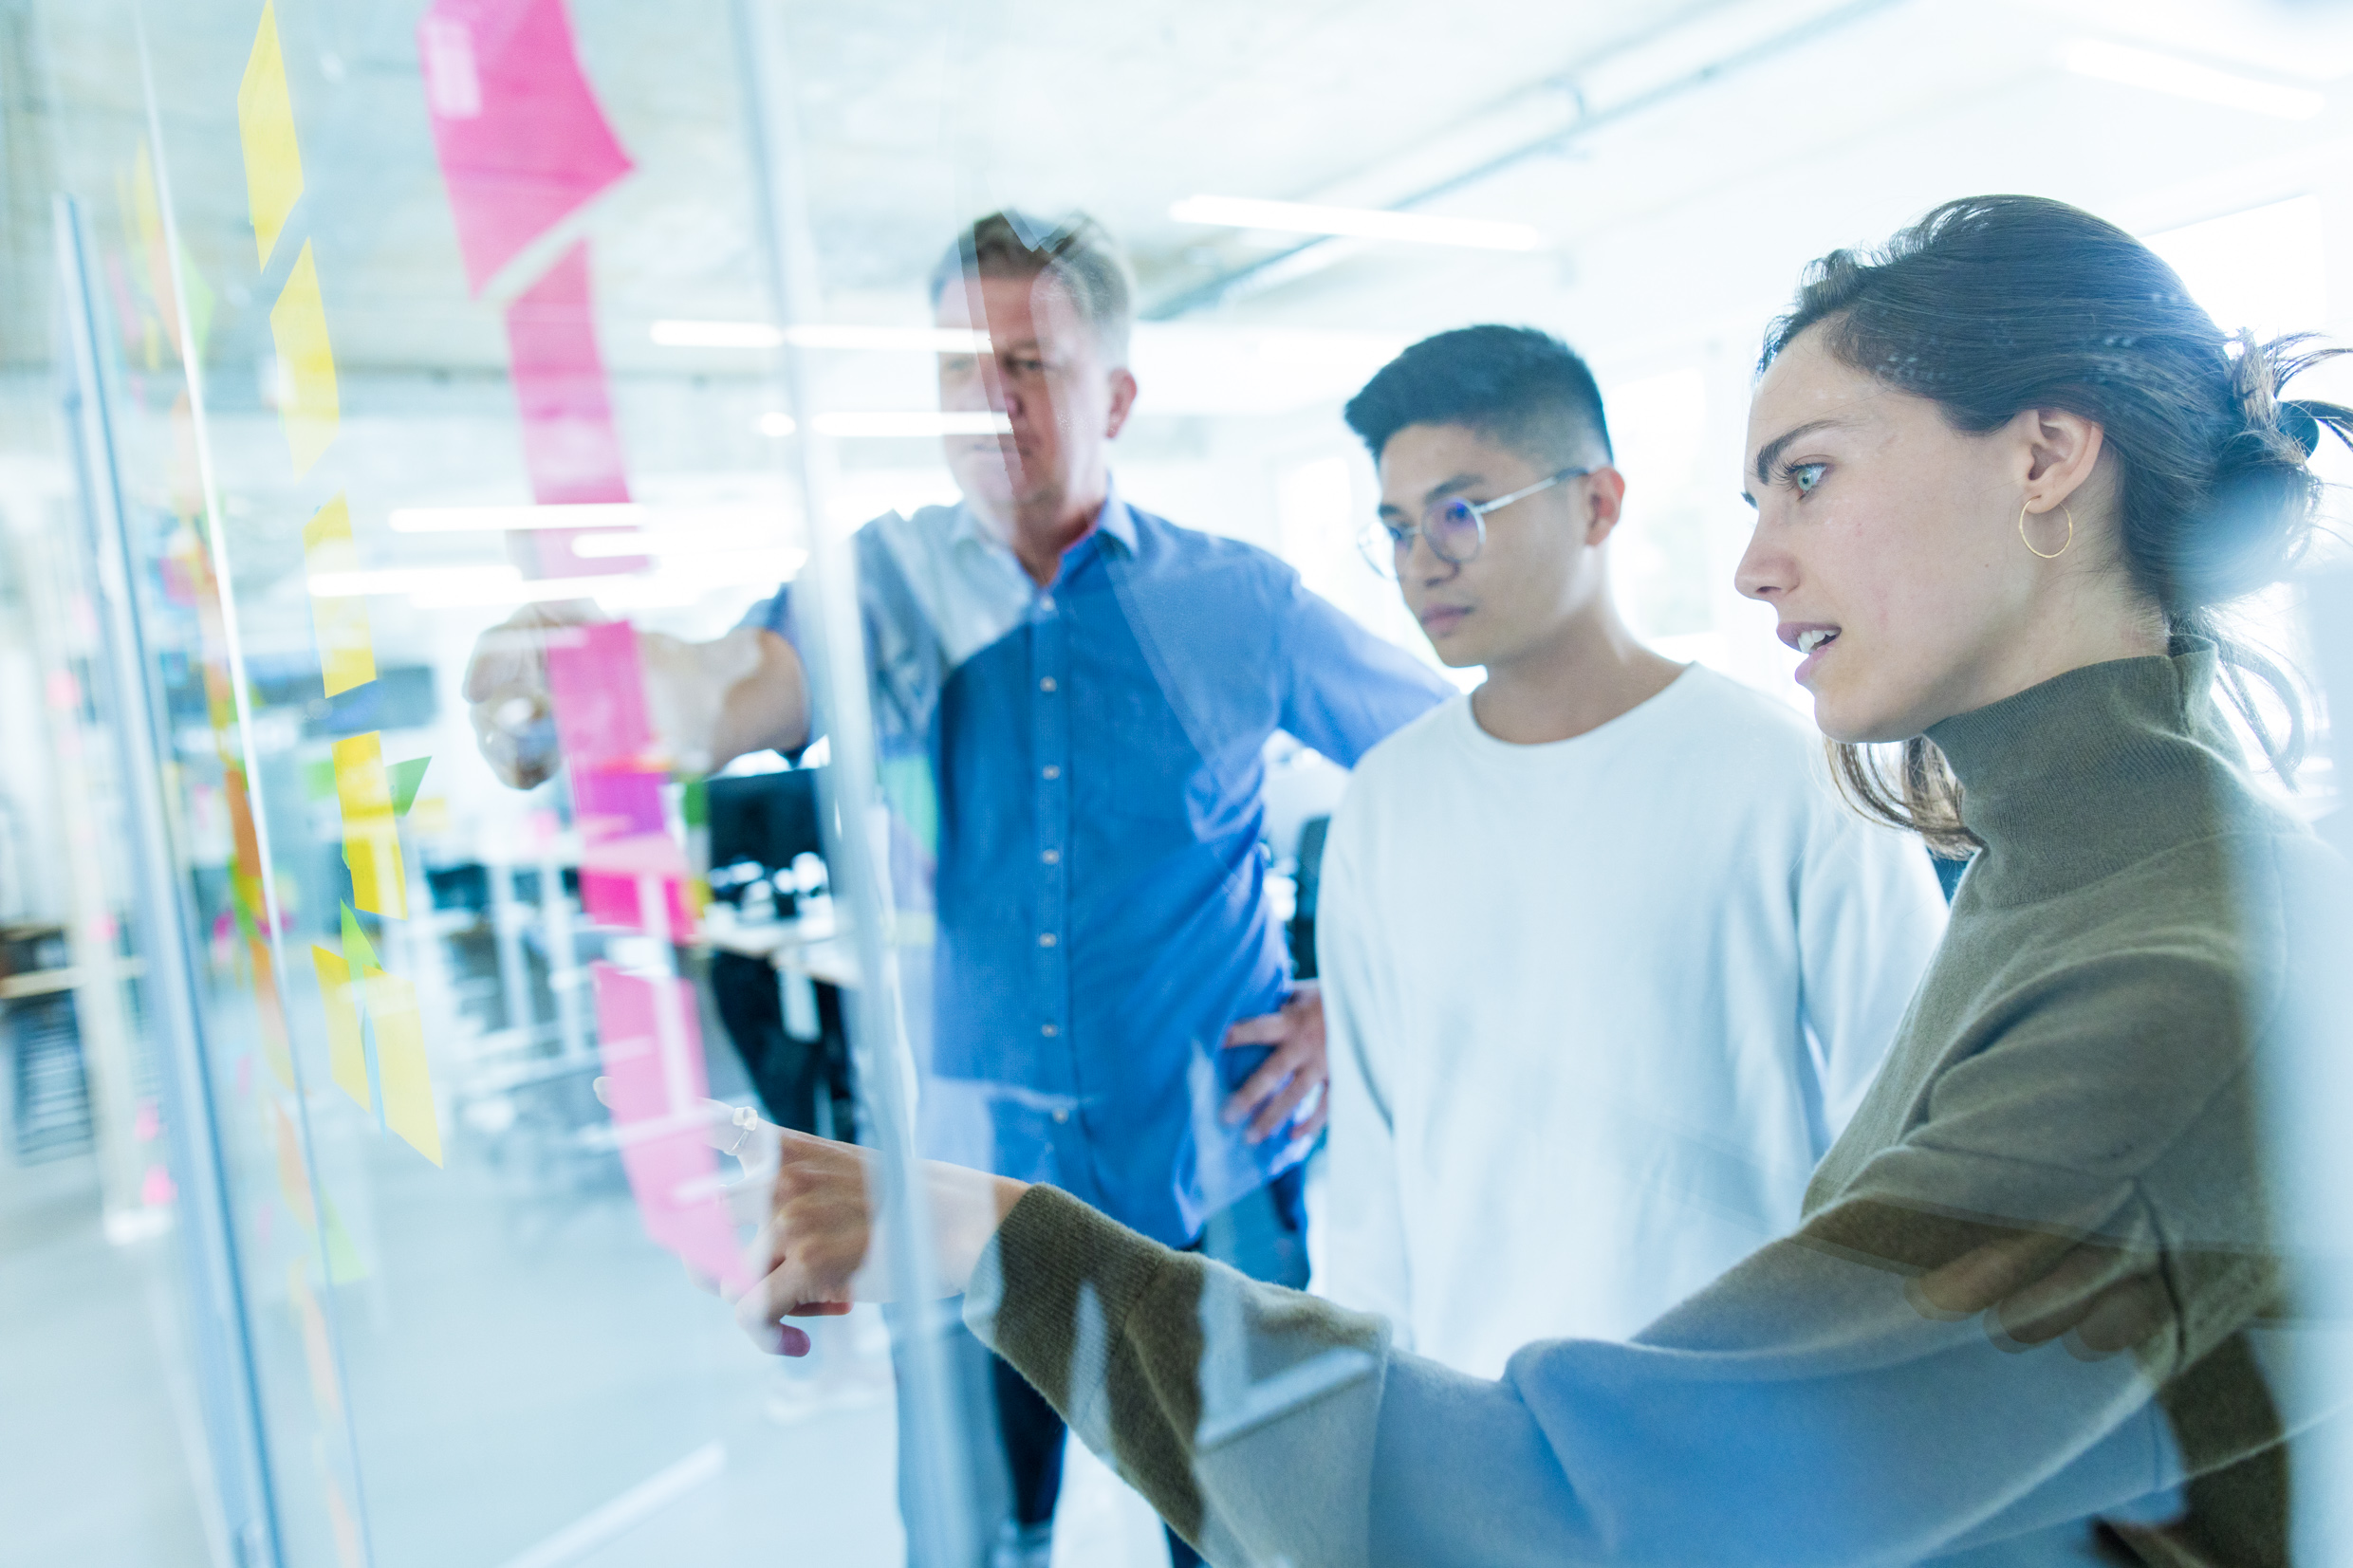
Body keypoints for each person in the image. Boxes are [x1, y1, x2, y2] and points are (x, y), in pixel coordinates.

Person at [726, 195, 2349, 1567]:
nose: (1757, 561)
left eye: (1810, 473)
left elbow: (1574, 1506)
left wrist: (995, 1236)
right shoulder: (2073, 881)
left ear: (2047, 456)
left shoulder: (2169, 975)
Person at [465, 211, 1452, 1567]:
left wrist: (1359, 1001)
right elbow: (723, 691)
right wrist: (589, 685)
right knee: (969, 1548)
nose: (988, 401)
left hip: (1212, 1197)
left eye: (1028, 363)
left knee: (1248, 1549)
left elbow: (1455, 771)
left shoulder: (1241, 604)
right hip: (959, 1201)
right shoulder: (885, 590)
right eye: (954, 366)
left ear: (1116, 394)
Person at [1317, 324, 1947, 1375]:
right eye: (1393, 527)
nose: (1420, 561)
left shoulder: (1792, 775)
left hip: (1742, 1418)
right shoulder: (1383, 805)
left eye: (1460, 512)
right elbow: (1370, 1183)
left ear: (1597, 502)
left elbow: (1904, 1137)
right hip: (1477, 1432)